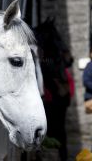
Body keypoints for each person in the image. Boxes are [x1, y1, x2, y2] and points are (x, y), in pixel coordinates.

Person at [35, 18, 74, 161]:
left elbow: (68, 61)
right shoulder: (49, 61)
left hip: (57, 100)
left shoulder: (53, 60)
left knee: (58, 131)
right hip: (55, 99)